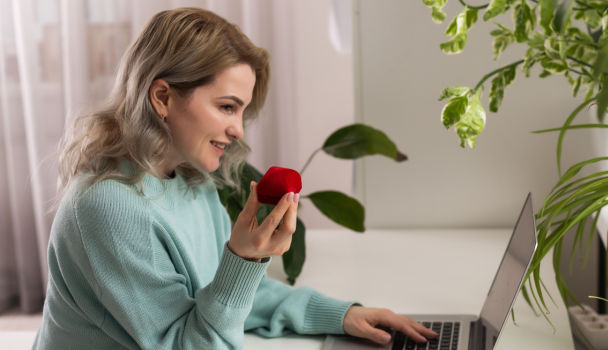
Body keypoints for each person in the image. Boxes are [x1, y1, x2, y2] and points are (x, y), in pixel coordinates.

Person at [33, 7, 436, 349]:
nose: (239, 130)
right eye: (227, 107)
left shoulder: (191, 180)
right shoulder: (109, 206)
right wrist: (244, 257)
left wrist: (344, 315)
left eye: (242, 111)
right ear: (163, 98)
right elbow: (186, 342)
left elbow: (228, 294)